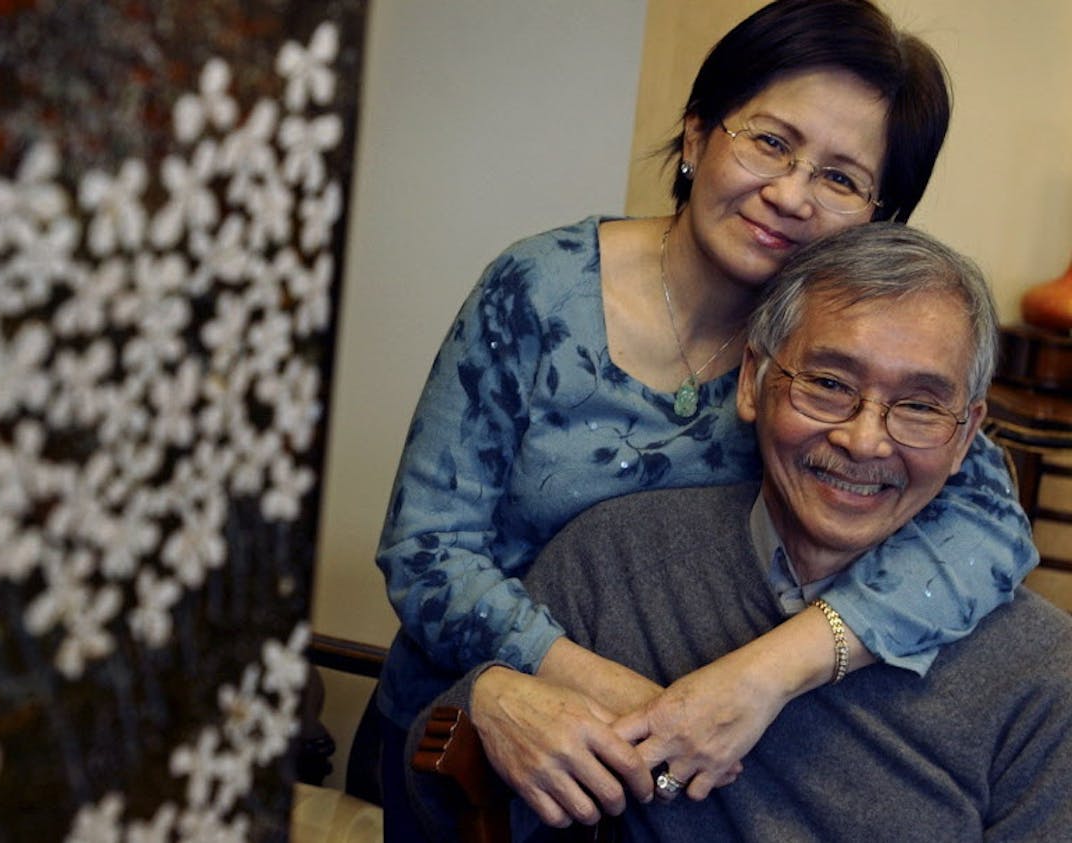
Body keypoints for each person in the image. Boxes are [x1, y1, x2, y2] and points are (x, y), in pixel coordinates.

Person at [372, 0, 1038, 835]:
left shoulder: (833, 361)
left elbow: (990, 531)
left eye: (841, 177)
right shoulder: (539, 292)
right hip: (479, 723)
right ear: (695, 138)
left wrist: (758, 677)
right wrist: (576, 691)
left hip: (705, 766)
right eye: (770, 141)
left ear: (879, 216)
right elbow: (426, 549)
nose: (792, 195)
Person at [407, 223, 1072, 842]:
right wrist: (486, 695)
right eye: (829, 383)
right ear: (753, 380)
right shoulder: (614, 559)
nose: (865, 439)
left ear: (965, 434)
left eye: (922, 406)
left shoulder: (1041, 671)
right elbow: (445, 783)